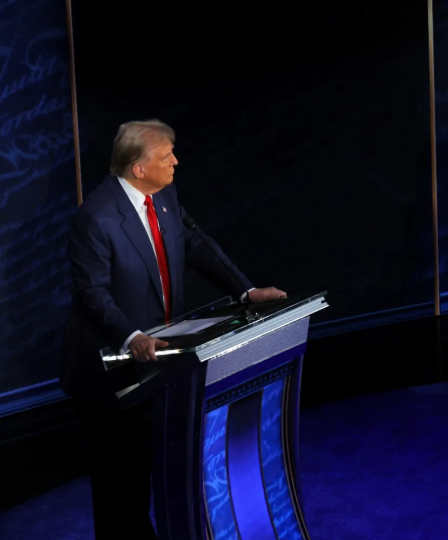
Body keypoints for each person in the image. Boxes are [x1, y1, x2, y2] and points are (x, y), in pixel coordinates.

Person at [60, 119, 286, 540]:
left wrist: (246, 291)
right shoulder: (96, 217)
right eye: (166, 156)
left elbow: (198, 245)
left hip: (160, 360)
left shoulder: (164, 196)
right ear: (138, 168)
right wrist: (132, 337)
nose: (176, 161)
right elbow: (92, 294)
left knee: (154, 464)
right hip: (111, 368)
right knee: (120, 484)